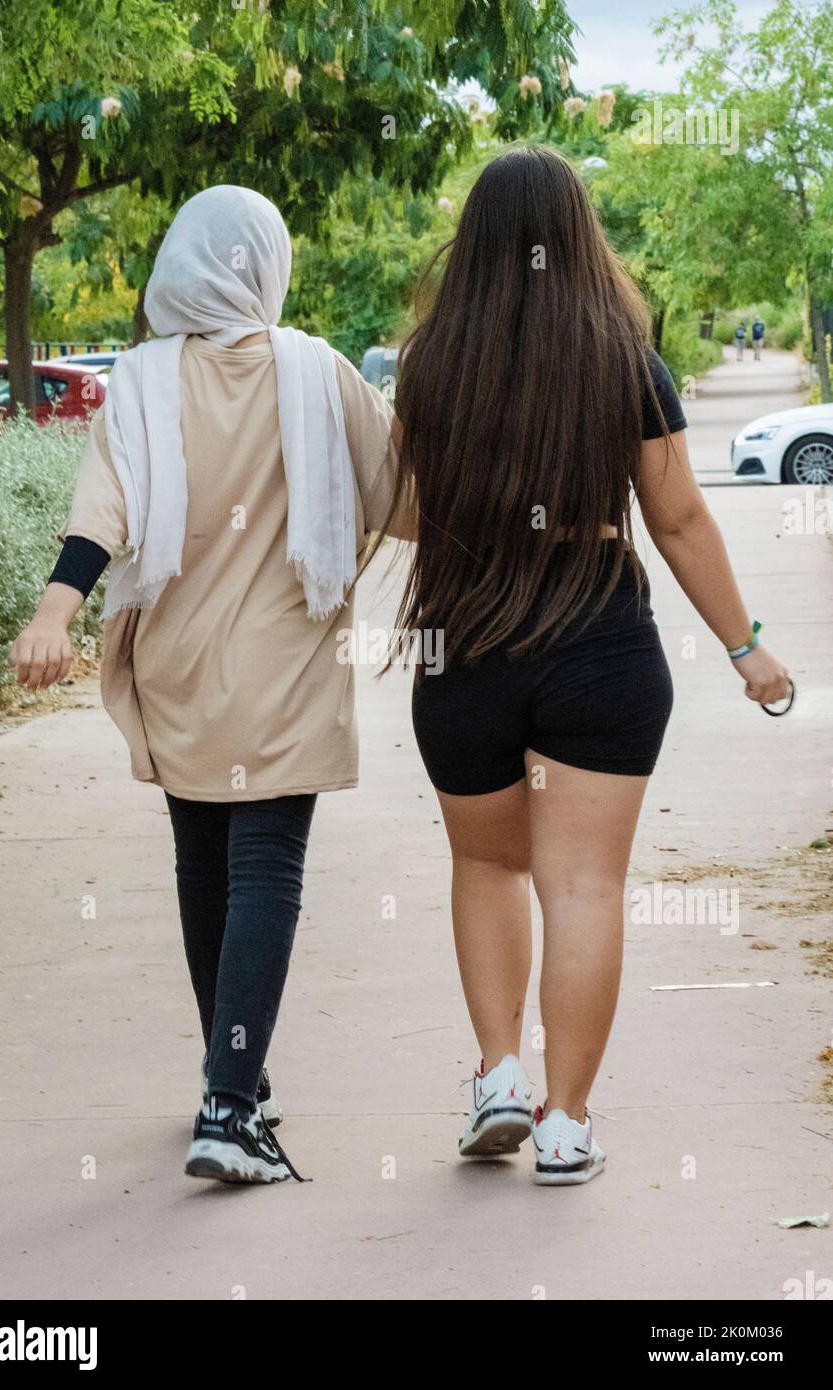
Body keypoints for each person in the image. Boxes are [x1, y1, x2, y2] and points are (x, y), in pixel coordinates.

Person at [384, 146, 790, 1185]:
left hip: (466, 639)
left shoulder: (430, 364)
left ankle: (497, 1077)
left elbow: (409, 517)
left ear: (470, 241)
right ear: (576, 234)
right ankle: (564, 1124)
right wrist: (744, 648)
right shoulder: (622, 357)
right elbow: (679, 518)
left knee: (485, 864)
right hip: (599, 642)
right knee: (583, 886)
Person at [8, 186, 412, 1186]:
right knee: (264, 870)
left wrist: (54, 612)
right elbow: (408, 496)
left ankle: (233, 1079)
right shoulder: (316, 372)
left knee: (204, 865)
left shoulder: (137, 382)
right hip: (286, 661)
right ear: (263, 266)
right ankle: (230, 1104)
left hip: (179, 664)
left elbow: (98, 513)